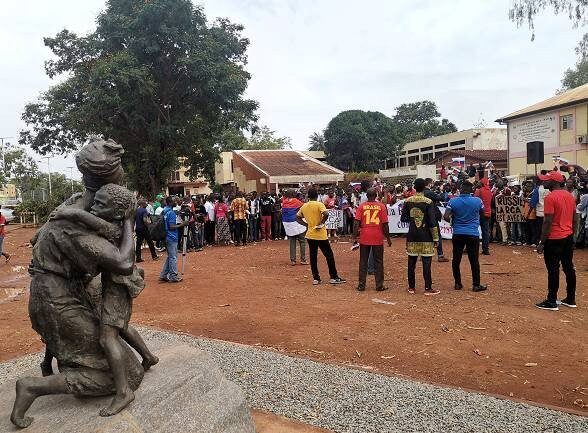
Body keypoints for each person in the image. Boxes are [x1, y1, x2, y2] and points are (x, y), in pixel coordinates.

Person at [535, 171, 577, 310]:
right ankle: (570, 299)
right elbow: (574, 218)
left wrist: (542, 242)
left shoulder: (550, 197)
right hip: (568, 236)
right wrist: (573, 235)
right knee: (568, 267)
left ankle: (551, 301)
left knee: (553, 269)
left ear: (553, 182)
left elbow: (547, 221)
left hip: (554, 238)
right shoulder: (570, 196)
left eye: (546, 180)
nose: (544, 182)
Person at [443, 181, 487, 292]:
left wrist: (453, 222)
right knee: (474, 260)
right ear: (471, 190)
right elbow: (482, 214)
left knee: (456, 259)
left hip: (458, 233)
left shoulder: (453, 201)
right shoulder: (478, 201)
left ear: (461, 189)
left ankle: (458, 283)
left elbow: (446, 216)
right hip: (473, 233)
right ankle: (476, 285)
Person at [296, 188, 346, 286]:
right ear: (317, 195)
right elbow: (326, 214)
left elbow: (297, 217)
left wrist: (306, 225)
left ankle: (316, 278)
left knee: (313, 257)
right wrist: (321, 223)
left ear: (308, 196)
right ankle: (333, 277)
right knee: (329, 255)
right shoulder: (319, 204)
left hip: (310, 234)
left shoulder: (304, 206)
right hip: (321, 234)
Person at [401, 178, 440, 295]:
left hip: (412, 235)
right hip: (426, 236)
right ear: (424, 187)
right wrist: (436, 238)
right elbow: (432, 222)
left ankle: (411, 287)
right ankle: (428, 288)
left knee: (411, 262)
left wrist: (413, 219)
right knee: (426, 262)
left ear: (414, 187)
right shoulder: (428, 202)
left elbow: (403, 218)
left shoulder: (407, 201)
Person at [353, 188, 391, 291]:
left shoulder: (361, 206)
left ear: (367, 196)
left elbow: (356, 223)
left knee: (363, 261)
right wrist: (388, 238)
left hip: (364, 237)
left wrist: (354, 237)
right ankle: (379, 285)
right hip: (377, 237)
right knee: (378, 261)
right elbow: (385, 225)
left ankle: (361, 285)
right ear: (376, 195)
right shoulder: (381, 206)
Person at [160, 196, 188, 283]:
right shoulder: (171, 213)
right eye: (174, 201)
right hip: (171, 236)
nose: (175, 202)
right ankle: (173, 276)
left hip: (165, 236)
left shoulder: (164, 211)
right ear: (170, 202)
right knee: (173, 257)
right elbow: (171, 226)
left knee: (170, 257)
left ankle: (164, 274)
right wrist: (182, 224)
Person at [424, 178, 448, 262]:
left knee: (425, 235)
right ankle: (440, 255)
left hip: (423, 217)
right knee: (437, 236)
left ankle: (423, 254)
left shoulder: (421, 193)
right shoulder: (429, 193)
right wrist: (442, 191)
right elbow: (441, 198)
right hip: (432, 217)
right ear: (429, 184)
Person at [282, 189, 307, 265]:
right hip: (296, 223)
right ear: (293, 194)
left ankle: (293, 260)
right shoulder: (296, 201)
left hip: (288, 224)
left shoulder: (284, 202)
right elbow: (304, 206)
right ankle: (303, 259)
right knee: (302, 241)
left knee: (292, 242)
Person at [474, 178, 492, 255]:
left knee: (474, 230)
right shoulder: (489, 191)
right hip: (488, 213)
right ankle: (486, 249)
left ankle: (472, 248)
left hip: (479, 213)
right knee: (485, 232)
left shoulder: (479, 190)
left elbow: (475, 201)